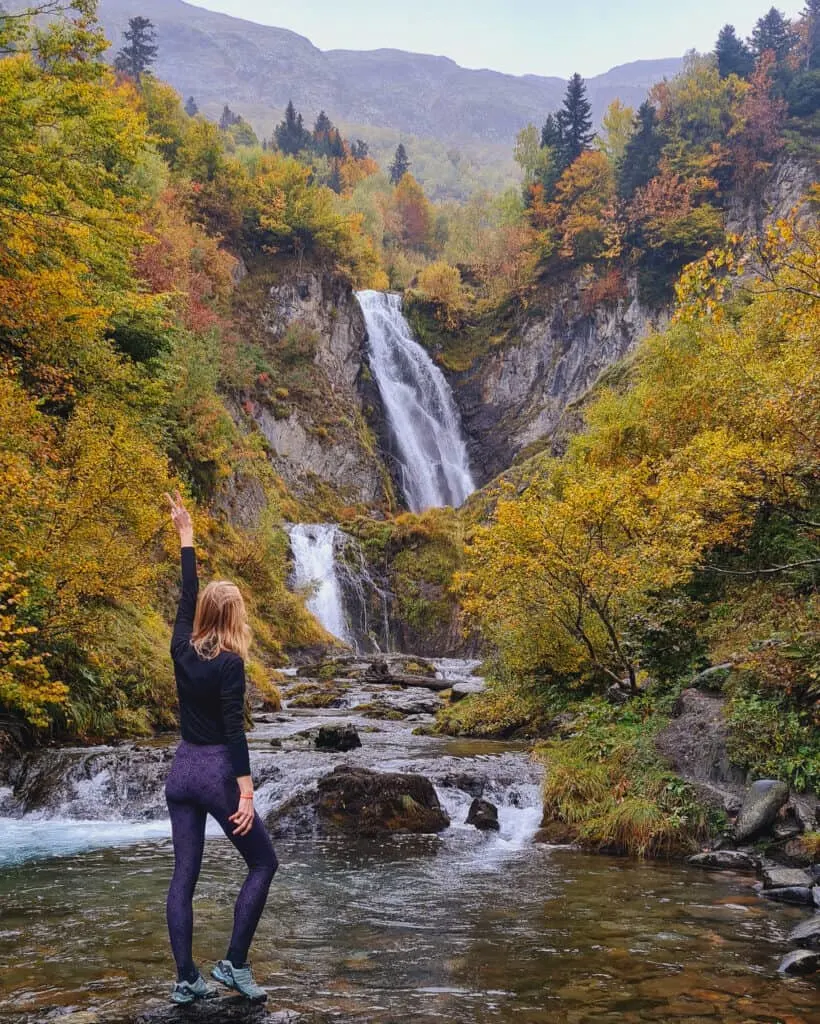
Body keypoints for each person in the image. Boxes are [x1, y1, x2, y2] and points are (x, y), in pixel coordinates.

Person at [163, 490, 278, 1005]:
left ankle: (186, 978)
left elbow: (187, 597)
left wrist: (186, 535)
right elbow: (235, 731)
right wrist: (247, 792)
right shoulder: (231, 663)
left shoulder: (181, 645)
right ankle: (233, 962)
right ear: (233, 617)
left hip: (181, 770)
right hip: (215, 774)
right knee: (264, 863)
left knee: (183, 876)